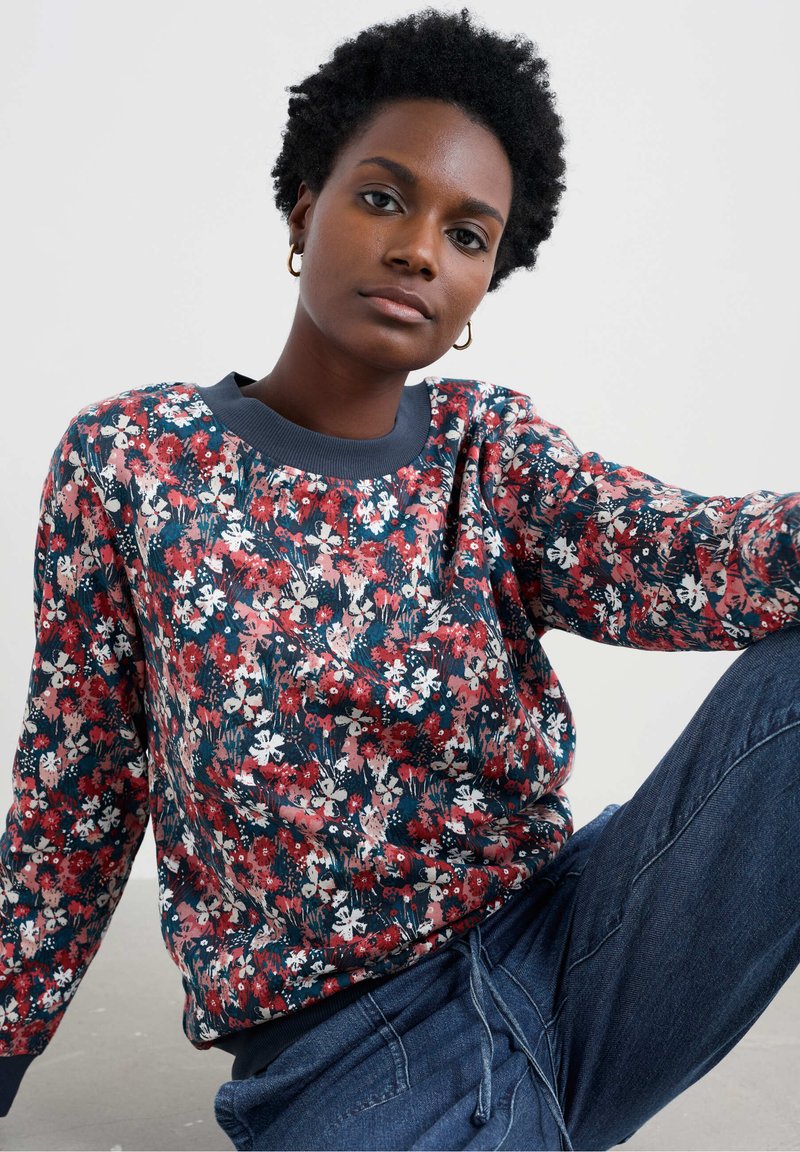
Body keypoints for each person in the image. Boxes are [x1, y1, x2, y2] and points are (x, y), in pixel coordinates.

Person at [1, 7, 798, 1149]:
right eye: (382, 198)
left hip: (581, 950)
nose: (421, 250)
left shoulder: (490, 452)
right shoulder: (131, 460)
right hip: (351, 1059)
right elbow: (77, 787)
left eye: (467, 236)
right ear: (302, 206)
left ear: (483, 281)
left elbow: (695, 556)